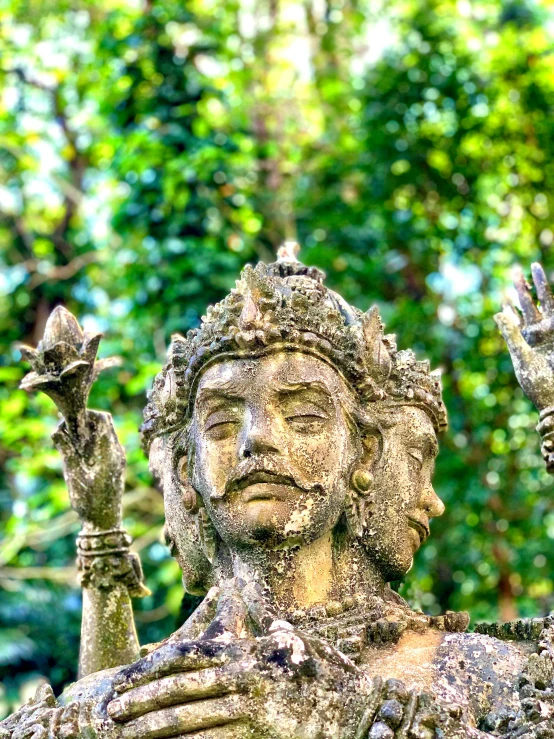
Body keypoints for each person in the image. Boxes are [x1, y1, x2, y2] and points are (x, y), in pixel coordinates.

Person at [2, 246, 554, 739]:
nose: (256, 440)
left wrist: (342, 716)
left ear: (363, 452)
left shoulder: (474, 670)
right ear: (187, 468)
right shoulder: (131, 696)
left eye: (304, 416)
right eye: (220, 425)